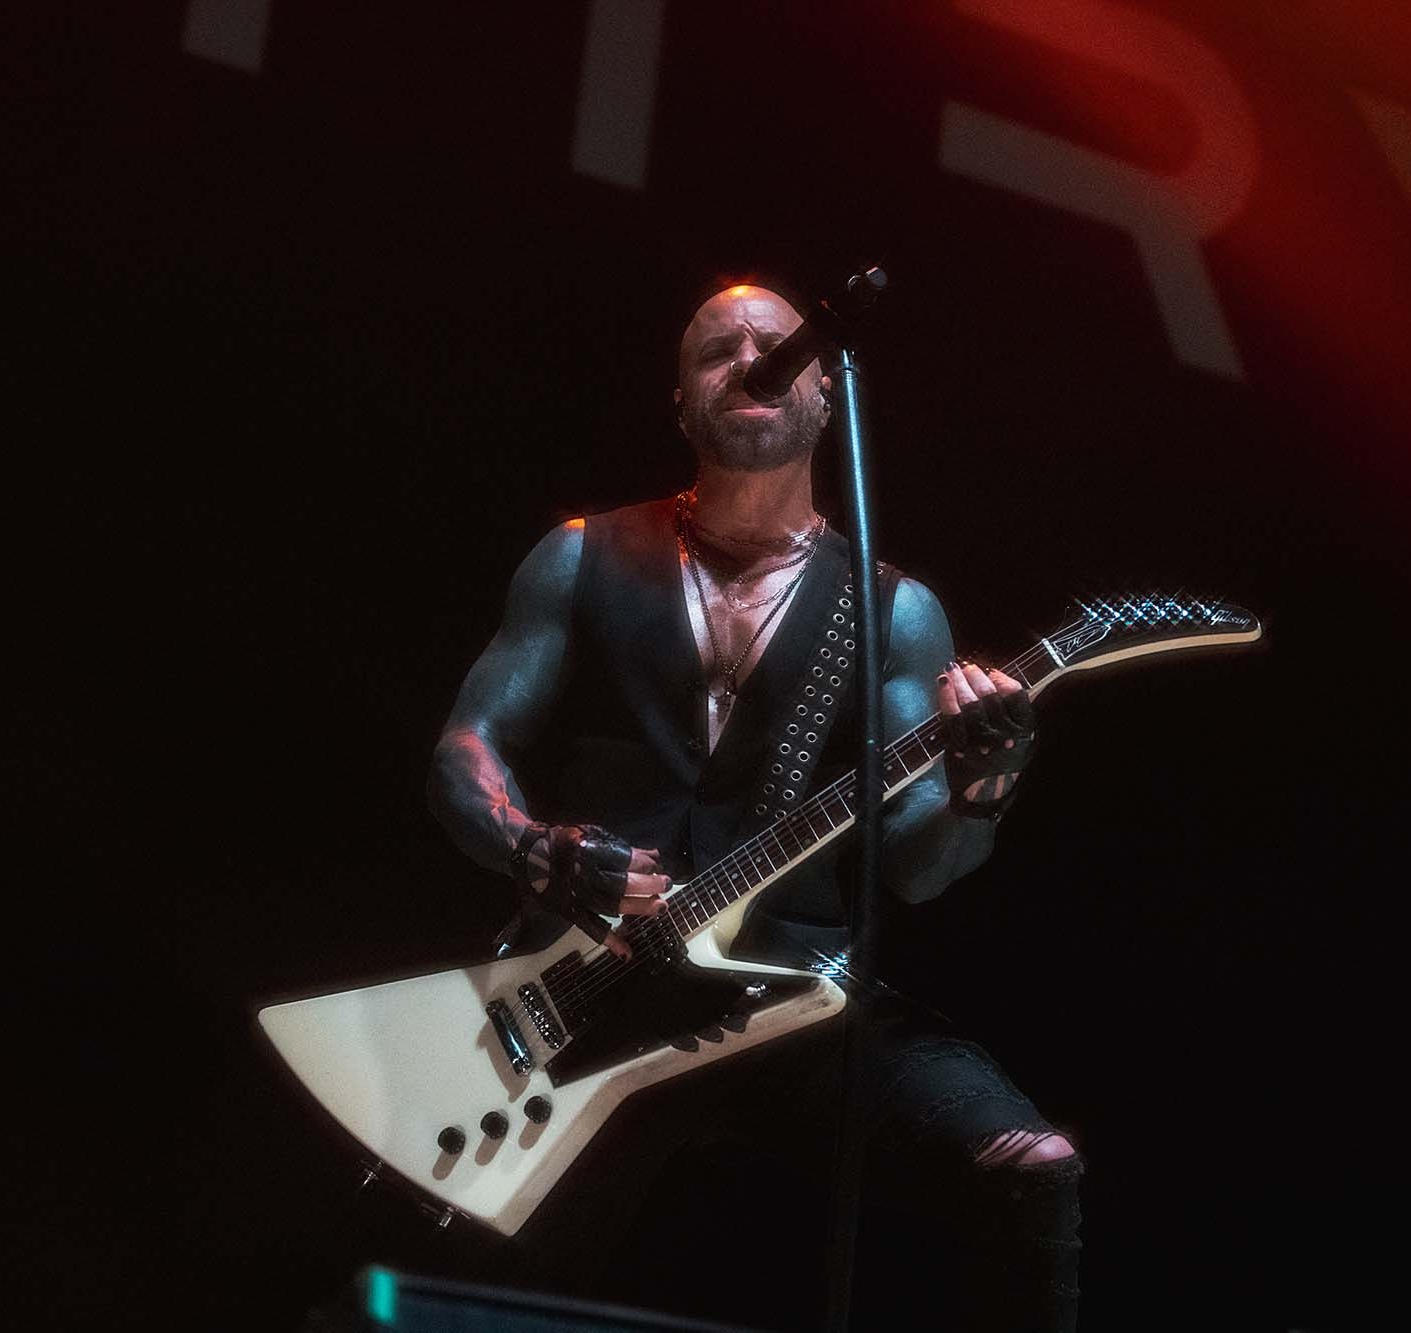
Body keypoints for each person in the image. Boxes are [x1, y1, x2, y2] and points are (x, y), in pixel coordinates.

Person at [429, 283, 1081, 1328]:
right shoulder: (582, 554)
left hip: (788, 1001)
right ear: (681, 403)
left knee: (1027, 1163)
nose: (748, 360)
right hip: (588, 993)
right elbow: (467, 747)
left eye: (775, 346)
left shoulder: (892, 607)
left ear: (825, 397)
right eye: (715, 351)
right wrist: (531, 845)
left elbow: (917, 868)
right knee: (499, 1290)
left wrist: (981, 793)